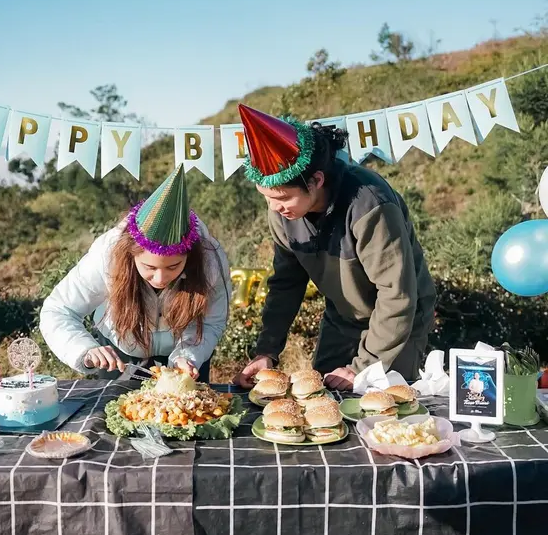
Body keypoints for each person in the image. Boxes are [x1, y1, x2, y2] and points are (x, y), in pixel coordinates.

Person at [233, 105, 436, 391]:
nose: (275, 208)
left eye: (282, 198)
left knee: (383, 407)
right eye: (266, 198)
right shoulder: (280, 212)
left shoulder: (370, 204)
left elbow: (397, 295)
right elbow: (285, 284)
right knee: (323, 399)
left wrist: (363, 368)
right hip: (342, 318)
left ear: (316, 180)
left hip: (399, 321)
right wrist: (267, 351)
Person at [40, 165, 230, 382]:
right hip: (120, 354)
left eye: (173, 267)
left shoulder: (210, 261)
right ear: (131, 255)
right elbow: (58, 310)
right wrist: (85, 349)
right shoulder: (107, 255)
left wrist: (187, 356)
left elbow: (211, 322)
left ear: (189, 257)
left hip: (188, 355)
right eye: (149, 268)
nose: (160, 279)